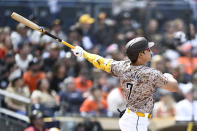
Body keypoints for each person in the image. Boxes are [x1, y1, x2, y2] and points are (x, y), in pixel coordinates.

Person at [72, 37, 178, 131]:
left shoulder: (122, 67)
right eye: (147, 49)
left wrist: (83, 53)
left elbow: (101, 61)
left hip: (131, 117)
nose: (150, 51)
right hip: (136, 120)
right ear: (140, 54)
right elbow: (174, 87)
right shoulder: (150, 74)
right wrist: (169, 76)